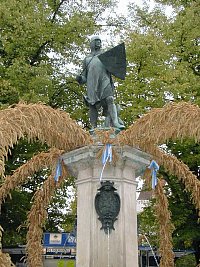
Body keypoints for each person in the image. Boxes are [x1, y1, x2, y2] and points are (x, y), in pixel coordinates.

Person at [76, 36, 125, 129]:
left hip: (104, 80)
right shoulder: (87, 59)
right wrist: (79, 79)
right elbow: (84, 78)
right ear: (91, 43)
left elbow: (114, 68)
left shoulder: (105, 55)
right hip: (92, 83)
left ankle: (115, 122)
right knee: (92, 105)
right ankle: (93, 127)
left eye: (99, 41)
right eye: (96, 41)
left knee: (110, 99)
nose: (98, 43)